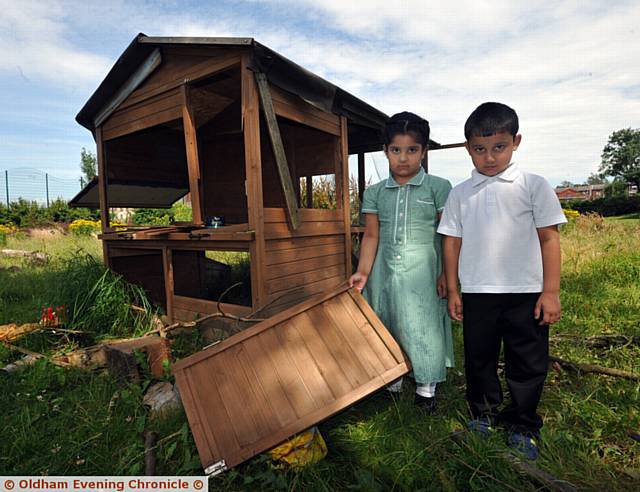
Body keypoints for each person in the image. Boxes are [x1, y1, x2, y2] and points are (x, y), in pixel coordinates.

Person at [437, 102, 567, 460]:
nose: (490, 157)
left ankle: (523, 424)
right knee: (479, 357)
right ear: (468, 148)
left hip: (526, 293)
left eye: (499, 147)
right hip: (478, 292)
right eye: (480, 149)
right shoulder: (460, 193)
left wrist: (550, 292)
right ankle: (483, 414)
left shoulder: (533, 186)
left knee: (526, 361)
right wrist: (453, 288)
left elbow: (549, 238)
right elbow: (452, 241)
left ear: (516, 141)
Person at [349, 111, 454, 412]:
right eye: (396, 150)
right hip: (384, 268)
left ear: (424, 151)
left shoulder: (438, 187)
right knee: (387, 318)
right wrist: (363, 272)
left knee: (424, 324)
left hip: (425, 269)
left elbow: (448, 236)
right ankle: (392, 378)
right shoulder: (375, 192)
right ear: (385, 151)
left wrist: (448, 274)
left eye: (412, 150)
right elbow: (370, 236)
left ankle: (426, 386)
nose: (403, 158)